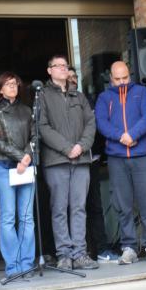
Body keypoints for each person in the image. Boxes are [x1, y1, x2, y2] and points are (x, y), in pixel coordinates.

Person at [95, 60, 146, 265]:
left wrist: (133, 134)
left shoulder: (142, 92)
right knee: (122, 204)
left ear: (130, 75)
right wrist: (122, 137)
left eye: (125, 78)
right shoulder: (104, 97)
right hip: (117, 157)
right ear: (111, 79)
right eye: (117, 79)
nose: (122, 82)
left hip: (142, 155)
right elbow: (101, 123)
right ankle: (129, 248)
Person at [38, 53, 97, 270]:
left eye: (65, 65)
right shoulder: (42, 96)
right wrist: (66, 148)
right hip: (56, 161)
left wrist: (81, 146)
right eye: (58, 66)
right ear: (49, 71)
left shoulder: (78, 96)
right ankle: (64, 254)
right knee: (59, 208)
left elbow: (91, 123)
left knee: (79, 207)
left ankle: (80, 254)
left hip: (81, 159)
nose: (63, 68)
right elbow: (42, 127)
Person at [67, 66, 118, 264]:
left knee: (95, 207)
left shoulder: (90, 100)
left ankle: (102, 249)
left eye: (75, 76)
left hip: (91, 160)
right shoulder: (59, 102)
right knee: (72, 208)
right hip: (69, 162)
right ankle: (75, 252)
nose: (72, 79)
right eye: (69, 76)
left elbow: (96, 128)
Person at [0, 72, 35, 278]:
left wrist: (27, 157)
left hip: (25, 166)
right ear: (0, 89)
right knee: (8, 218)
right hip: (4, 167)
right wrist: (21, 157)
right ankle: (13, 266)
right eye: (8, 84)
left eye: (15, 84)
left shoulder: (27, 110)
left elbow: (35, 136)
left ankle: (27, 264)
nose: (12, 87)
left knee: (26, 218)